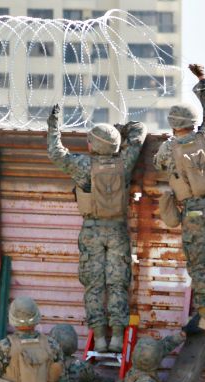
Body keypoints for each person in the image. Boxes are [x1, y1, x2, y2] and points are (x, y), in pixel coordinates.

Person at [47, 104, 148, 352]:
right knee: (117, 284)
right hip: (117, 231)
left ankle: (100, 339)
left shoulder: (82, 165)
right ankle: (117, 338)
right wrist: (120, 130)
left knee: (94, 286)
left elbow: (55, 152)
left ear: (93, 146)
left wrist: (53, 124)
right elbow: (139, 130)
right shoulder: (124, 163)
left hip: (91, 231)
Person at [154, 63, 205, 331]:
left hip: (194, 210)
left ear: (173, 125)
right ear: (192, 121)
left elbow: (157, 164)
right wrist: (202, 79)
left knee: (198, 262)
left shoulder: (168, 148)